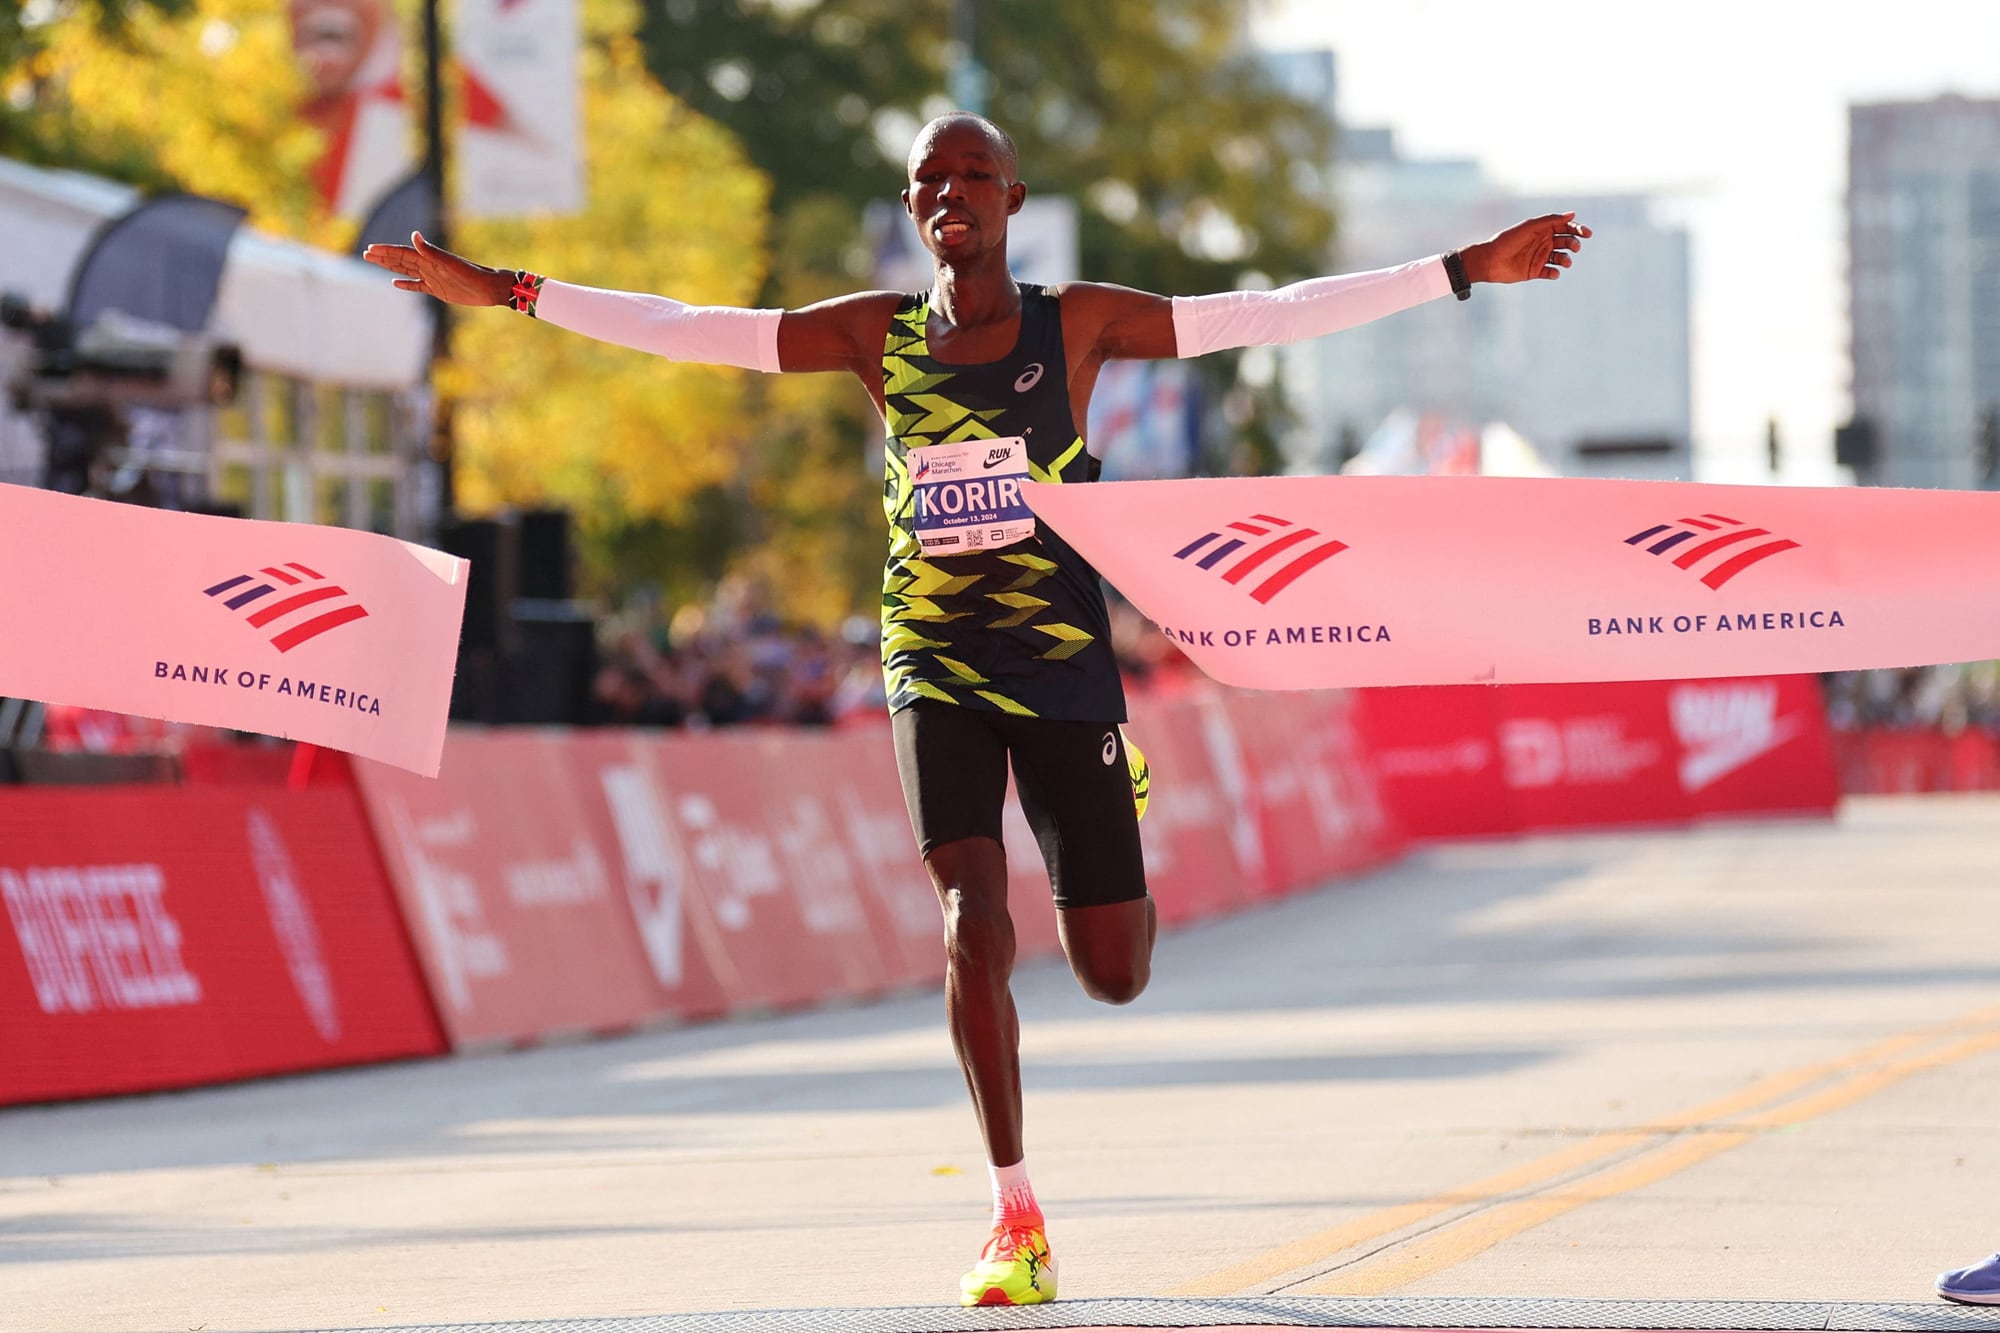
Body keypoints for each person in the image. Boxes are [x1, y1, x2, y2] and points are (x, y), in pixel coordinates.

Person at [365, 112, 1587, 1306]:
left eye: (973, 175)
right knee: (968, 913)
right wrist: (515, 292)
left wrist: (1460, 271)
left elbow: (1258, 316)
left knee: (1114, 971)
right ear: (910, 211)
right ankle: (1014, 1211)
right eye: (928, 178)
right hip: (931, 655)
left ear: (1008, 200)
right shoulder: (871, 337)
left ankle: (1121, 792)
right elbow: (693, 331)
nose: (950, 192)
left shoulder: (1078, 326)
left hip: (1058, 661)